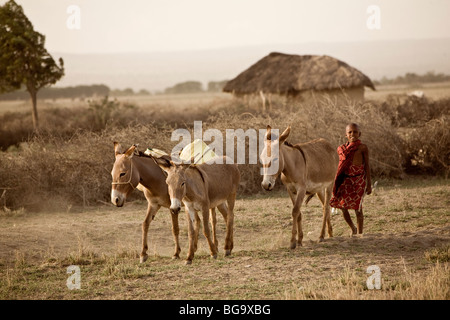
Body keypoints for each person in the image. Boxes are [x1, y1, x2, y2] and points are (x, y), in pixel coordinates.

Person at [330, 123, 372, 235]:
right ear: (346, 135)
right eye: (350, 132)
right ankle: (353, 228)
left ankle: (360, 234)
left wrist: (369, 184)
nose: (353, 134)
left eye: (355, 132)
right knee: (343, 207)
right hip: (346, 181)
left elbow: (367, 166)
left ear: (359, 134)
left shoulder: (362, 148)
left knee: (358, 209)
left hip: (359, 181)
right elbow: (340, 167)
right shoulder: (341, 149)